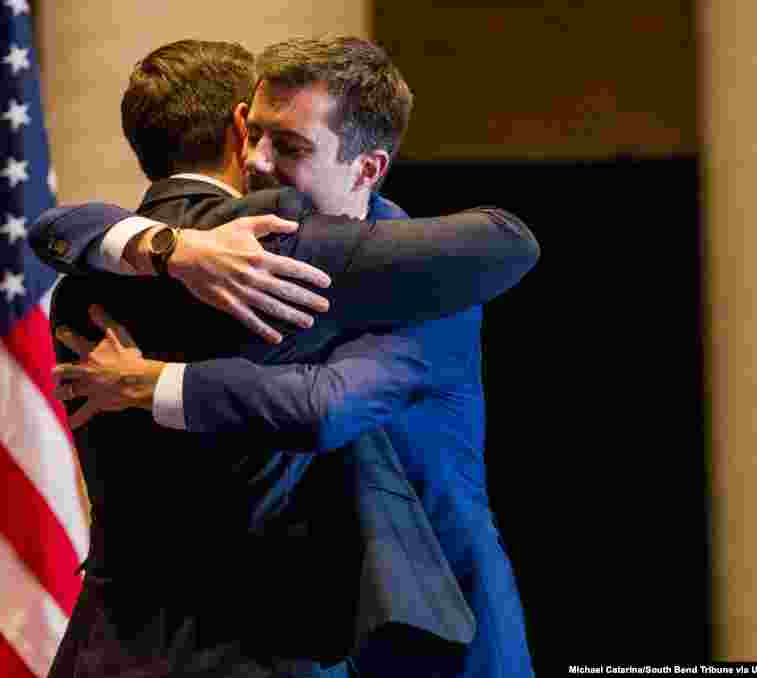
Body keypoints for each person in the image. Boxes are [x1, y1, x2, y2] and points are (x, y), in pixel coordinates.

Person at [31, 39, 538, 677]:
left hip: (431, 614)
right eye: (256, 135)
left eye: (290, 148)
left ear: (367, 168)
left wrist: (153, 381)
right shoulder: (234, 244)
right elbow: (59, 224)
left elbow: (320, 406)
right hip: (298, 627)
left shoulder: (427, 283)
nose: (256, 161)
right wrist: (176, 249)